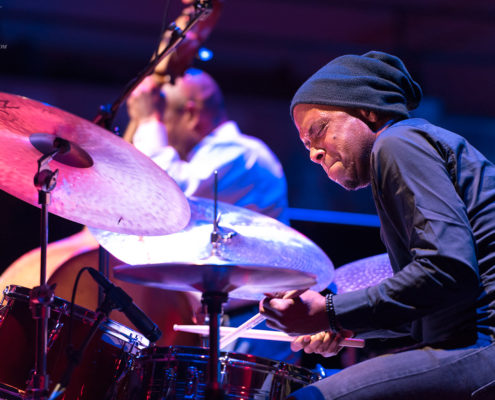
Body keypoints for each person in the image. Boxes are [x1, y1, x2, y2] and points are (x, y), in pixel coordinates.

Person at [260, 50, 495, 399]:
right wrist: (342, 322)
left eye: (320, 130)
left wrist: (329, 312)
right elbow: (438, 304)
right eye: (306, 145)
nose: (313, 153)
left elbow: (449, 270)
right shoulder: (408, 147)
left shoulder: (397, 141)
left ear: (368, 111)